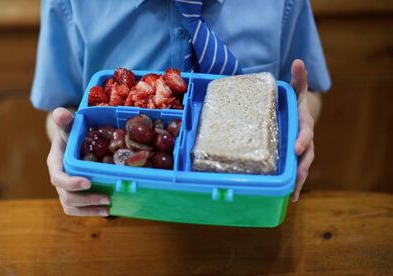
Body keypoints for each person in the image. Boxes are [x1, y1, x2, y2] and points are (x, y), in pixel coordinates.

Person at [32, 0, 331, 216]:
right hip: (129, 216)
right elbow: (62, 110)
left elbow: (306, 95)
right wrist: (66, 147)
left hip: (249, 211)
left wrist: (301, 117)